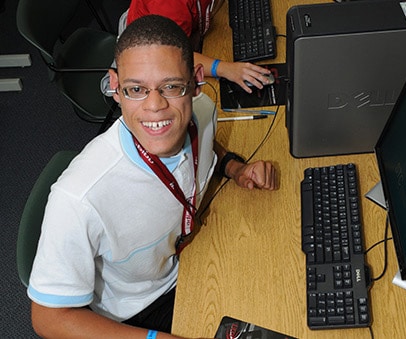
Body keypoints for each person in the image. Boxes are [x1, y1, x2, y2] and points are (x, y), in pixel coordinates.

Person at [28, 14, 277, 338]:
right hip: (138, 311)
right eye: (137, 89)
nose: (155, 106)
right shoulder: (80, 198)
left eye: (172, 86)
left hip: (184, 258)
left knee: (278, 283)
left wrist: (235, 168)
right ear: (115, 88)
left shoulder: (201, 112)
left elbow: (203, 145)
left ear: (196, 82)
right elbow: (48, 318)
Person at [123, 0, 273, 93]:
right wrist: (225, 69)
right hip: (155, 59)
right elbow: (170, 56)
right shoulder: (169, 3)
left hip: (186, 38)